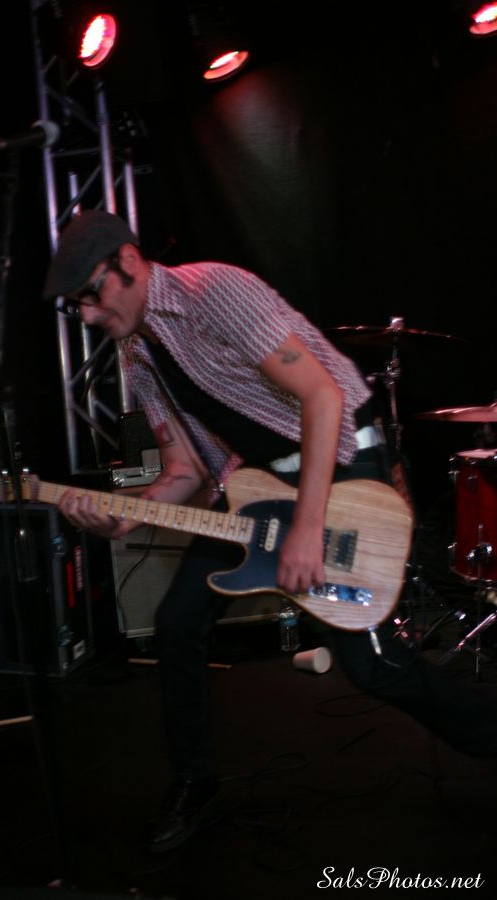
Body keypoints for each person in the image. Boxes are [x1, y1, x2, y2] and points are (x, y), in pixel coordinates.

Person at [43, 210, 497, 853]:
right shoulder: (136, 355)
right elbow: (185, 470)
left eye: (91, 294)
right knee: (177, 621)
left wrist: (308, 527)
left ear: (129, 261)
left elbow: (323, 397)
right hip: (255, 486)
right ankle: (196, 784)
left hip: (338, 460)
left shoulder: (214, 290)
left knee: (373, 668)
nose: (87, 315)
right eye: (76, 306)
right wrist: (121, 515)